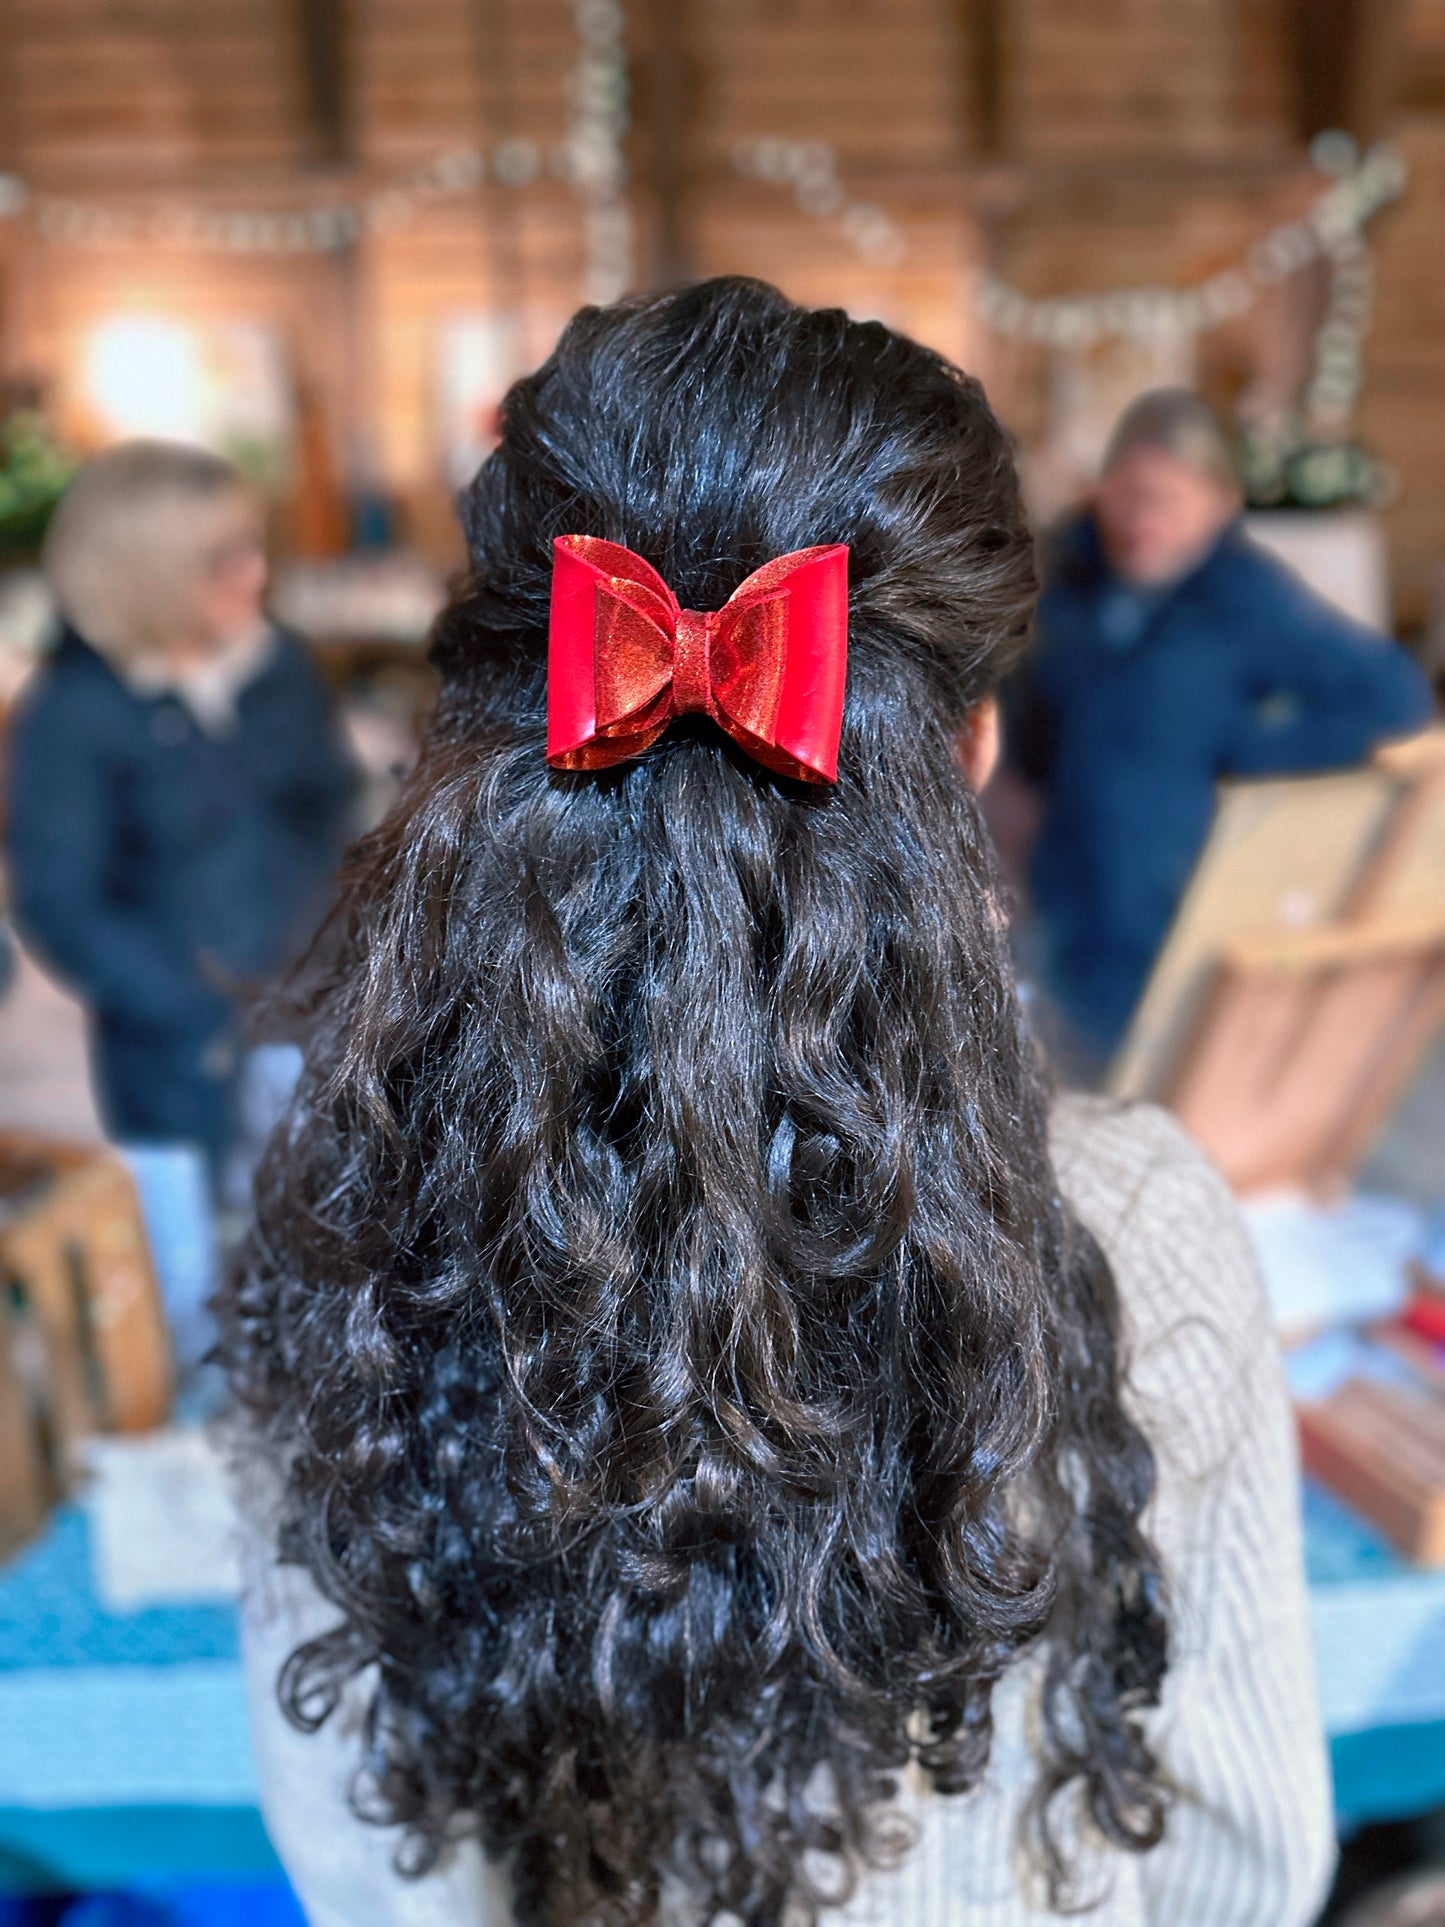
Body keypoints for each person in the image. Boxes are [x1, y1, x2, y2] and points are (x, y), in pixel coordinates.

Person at [221, 282, 1332, 1927]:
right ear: (970, 753)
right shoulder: (1147, 1221)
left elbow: (369, 1857)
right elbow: (1244, 1851)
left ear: (471, 742)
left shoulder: (357, 1225)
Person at [1006, 389, 1434, 1061]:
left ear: (1219, 503)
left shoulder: (1246, 598)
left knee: (1140, 1078)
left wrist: (1246, 752)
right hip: (1062, 882)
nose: (1142, 521)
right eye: (1130, 496)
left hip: (1167, 897)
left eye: (1168, 501)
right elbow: (1029, 691)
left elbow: (1390, 695)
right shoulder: (1066, 571)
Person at [5, 440, 357, 1179]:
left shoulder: (279, 662)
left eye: (254, 547)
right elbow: (61, 902)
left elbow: (334, 805)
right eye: (224, 559)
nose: (255, 574)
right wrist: (193, 1009)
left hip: (320, 1016)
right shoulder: (74, 712)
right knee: (207, 1267)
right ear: (147, 570)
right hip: (185, 1056)